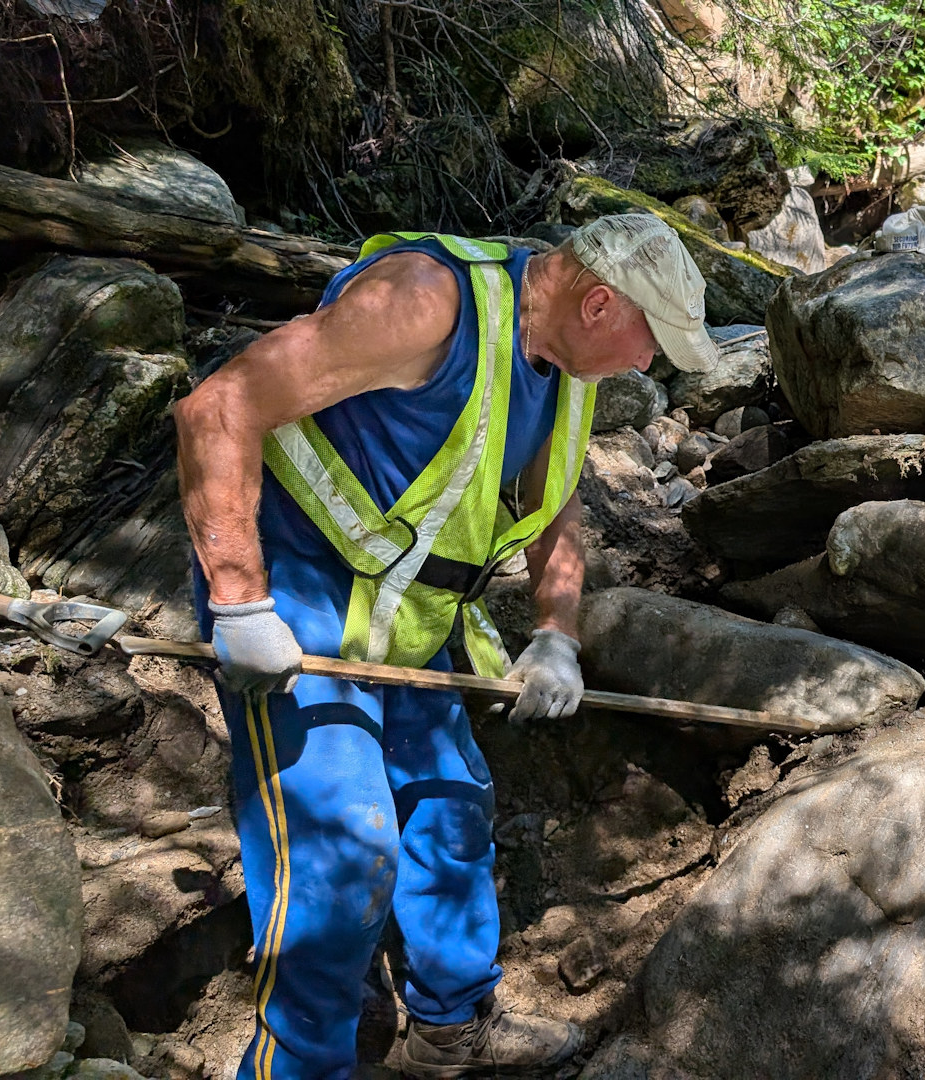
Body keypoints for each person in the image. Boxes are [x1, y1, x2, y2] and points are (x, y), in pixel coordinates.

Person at [173, 216, 718, 1079]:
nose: (649, 365)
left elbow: (554, 499)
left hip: (411, 617)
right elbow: (218, 407)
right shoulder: (427, 303)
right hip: (300, 595)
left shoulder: (567, 364)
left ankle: (450, 1029)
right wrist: (240, 600)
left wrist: (557, 634)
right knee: (343, 850)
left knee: (452, 810)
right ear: (601, 304)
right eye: (652, 343)